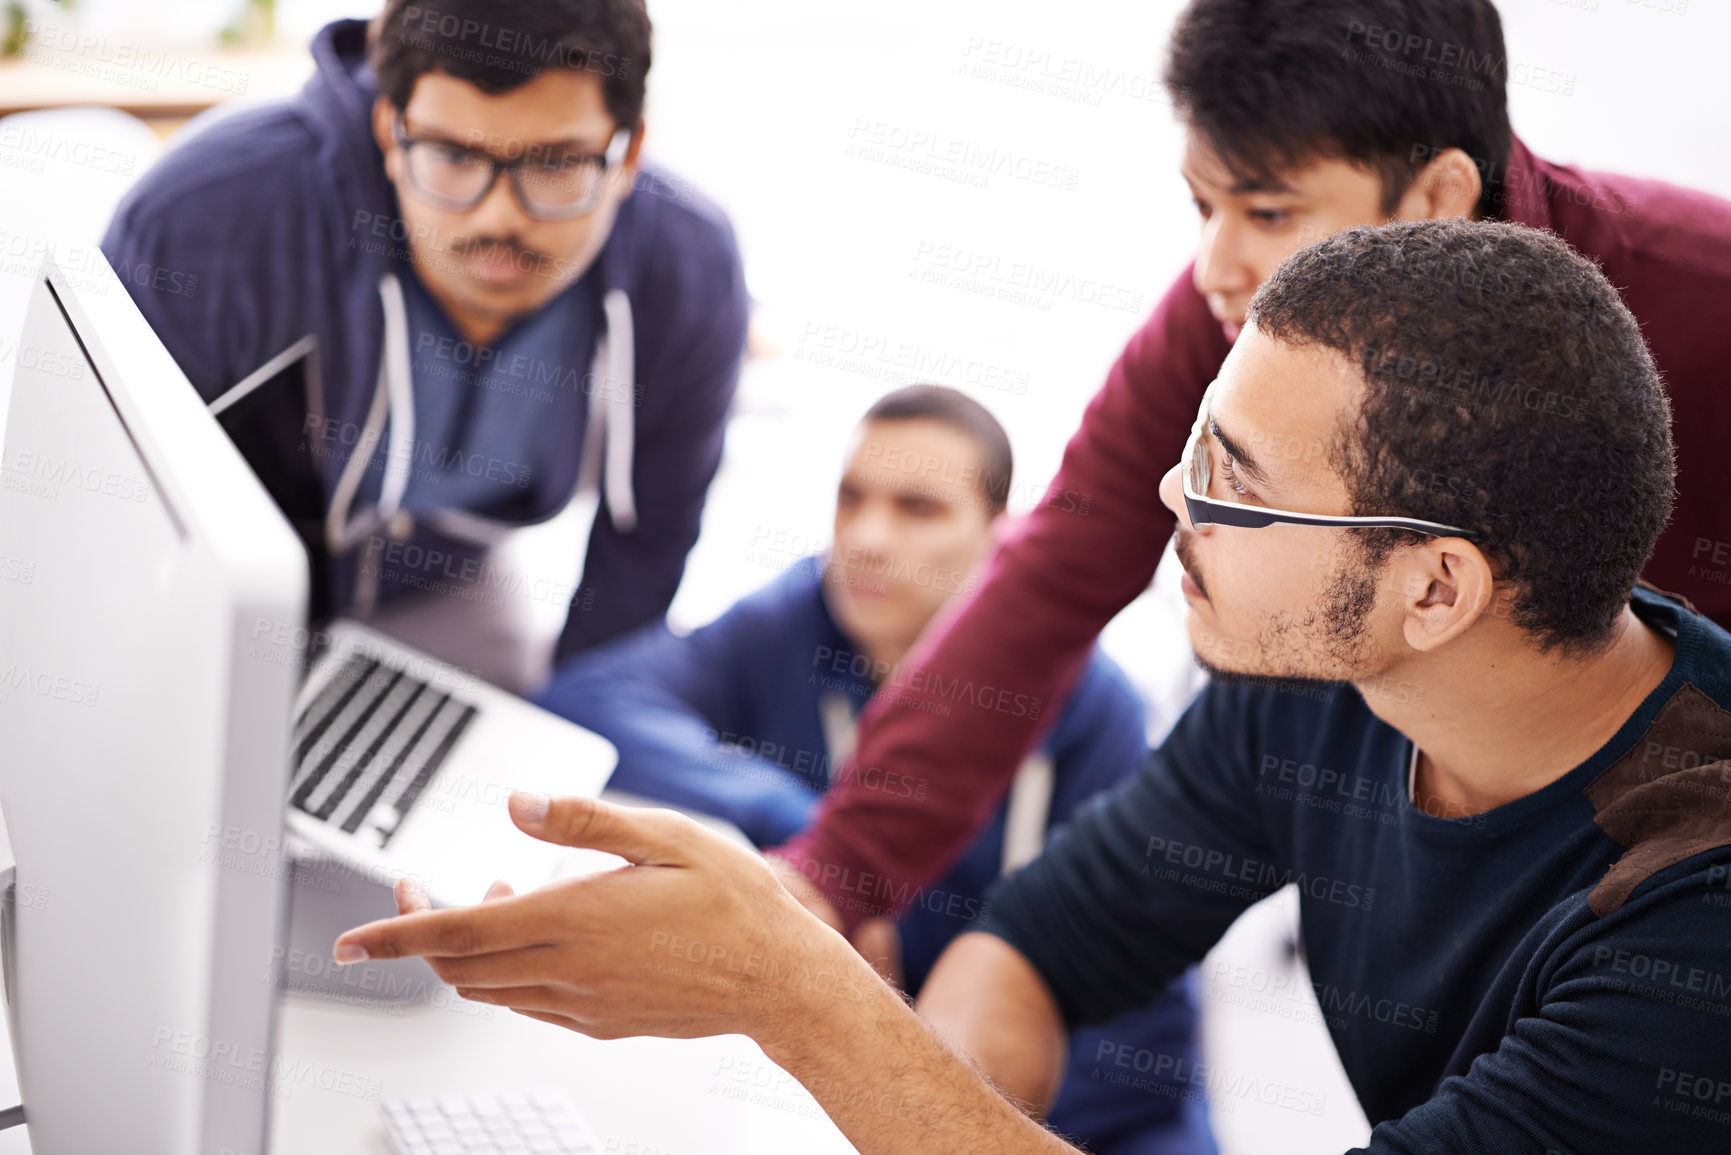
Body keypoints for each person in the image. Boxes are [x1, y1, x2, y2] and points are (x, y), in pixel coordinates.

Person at [336, 218, 1731, 1153]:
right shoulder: (1317, 677)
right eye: (1196, 445)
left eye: (1233, 488)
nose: (1169, 501)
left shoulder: (1690, 940)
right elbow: (1044, 943)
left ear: (1434, 587)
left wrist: (798, 994)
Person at [769, 0, 1731, 941]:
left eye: (1268, 210)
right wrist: (831, 875)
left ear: (1437, 196)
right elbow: (1059, 563)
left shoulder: (1705, 298)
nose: (1213, 265)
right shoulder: (1242, 314)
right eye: (1202, 204)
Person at [535, 384, 1214, 1154]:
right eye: (850, 498)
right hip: (848, 1094)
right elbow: (592, 696)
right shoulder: (806, 613)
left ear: (1003, 541)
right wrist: (814, 839)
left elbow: (1140, 1051)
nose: (866, 536)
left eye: (917, 508)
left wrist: (904, 1060)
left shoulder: (1094, 709)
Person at [100, 0, 748, 688]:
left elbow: (648, 543)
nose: (500, 216)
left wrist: (571, 709)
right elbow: (111, 518)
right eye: (453, 154)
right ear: (389, 126)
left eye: (556, 163)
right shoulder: (207, 216)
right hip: (227, 604)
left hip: (449, 584)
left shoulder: (690, 268)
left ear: (630, 152)